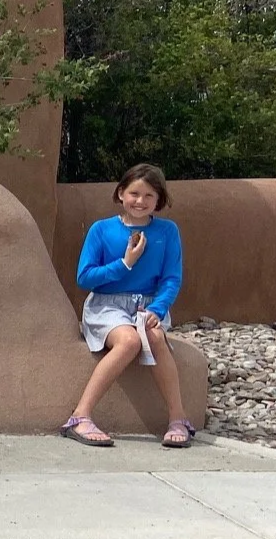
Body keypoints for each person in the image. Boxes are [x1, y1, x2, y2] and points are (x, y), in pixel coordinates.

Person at [60, 163, 191, 449]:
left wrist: (158, 309)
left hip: (148, 306)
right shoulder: (102, 229)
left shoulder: (168, 232)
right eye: (134, 193)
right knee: (130, 341)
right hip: (106, 306)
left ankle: (178, 419)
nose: (140, 201)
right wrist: (125, 264)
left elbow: (171, 278)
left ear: (159, 200)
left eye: (149, 196)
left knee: (155, 337)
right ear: (121, 193)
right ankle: (80, 416)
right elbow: (85, 277)